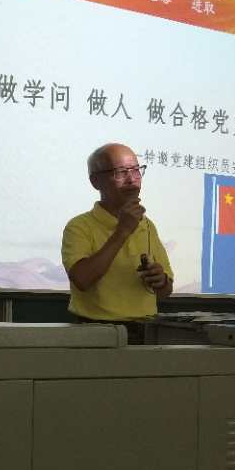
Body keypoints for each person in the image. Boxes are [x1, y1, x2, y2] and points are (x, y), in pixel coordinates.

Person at [61, 143, 173, 341]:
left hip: (147, 332)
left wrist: (161, 280)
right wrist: (122, 231)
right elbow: (82, 280)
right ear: (95, 181)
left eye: (136, 170)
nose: (132, 179)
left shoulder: (147, 225)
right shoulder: (79, 226)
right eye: (121, 172)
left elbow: (165, 291)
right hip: (95, 333)